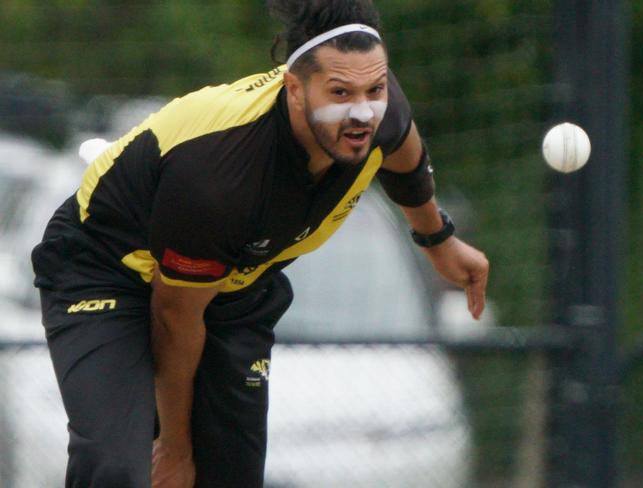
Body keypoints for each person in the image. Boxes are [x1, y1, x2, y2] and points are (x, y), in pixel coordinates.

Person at [31, 1, 489, 487]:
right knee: (118, 469)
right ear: (294, 88)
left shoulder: (379, 110)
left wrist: (439, 241)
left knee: (229, 475)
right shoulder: (220, 177)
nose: (362, 112)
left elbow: (405, 154)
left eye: (374, 90)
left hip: (230, 283)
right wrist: (176, 448)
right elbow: (174, 318)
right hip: (105, 269)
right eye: (339, 93)